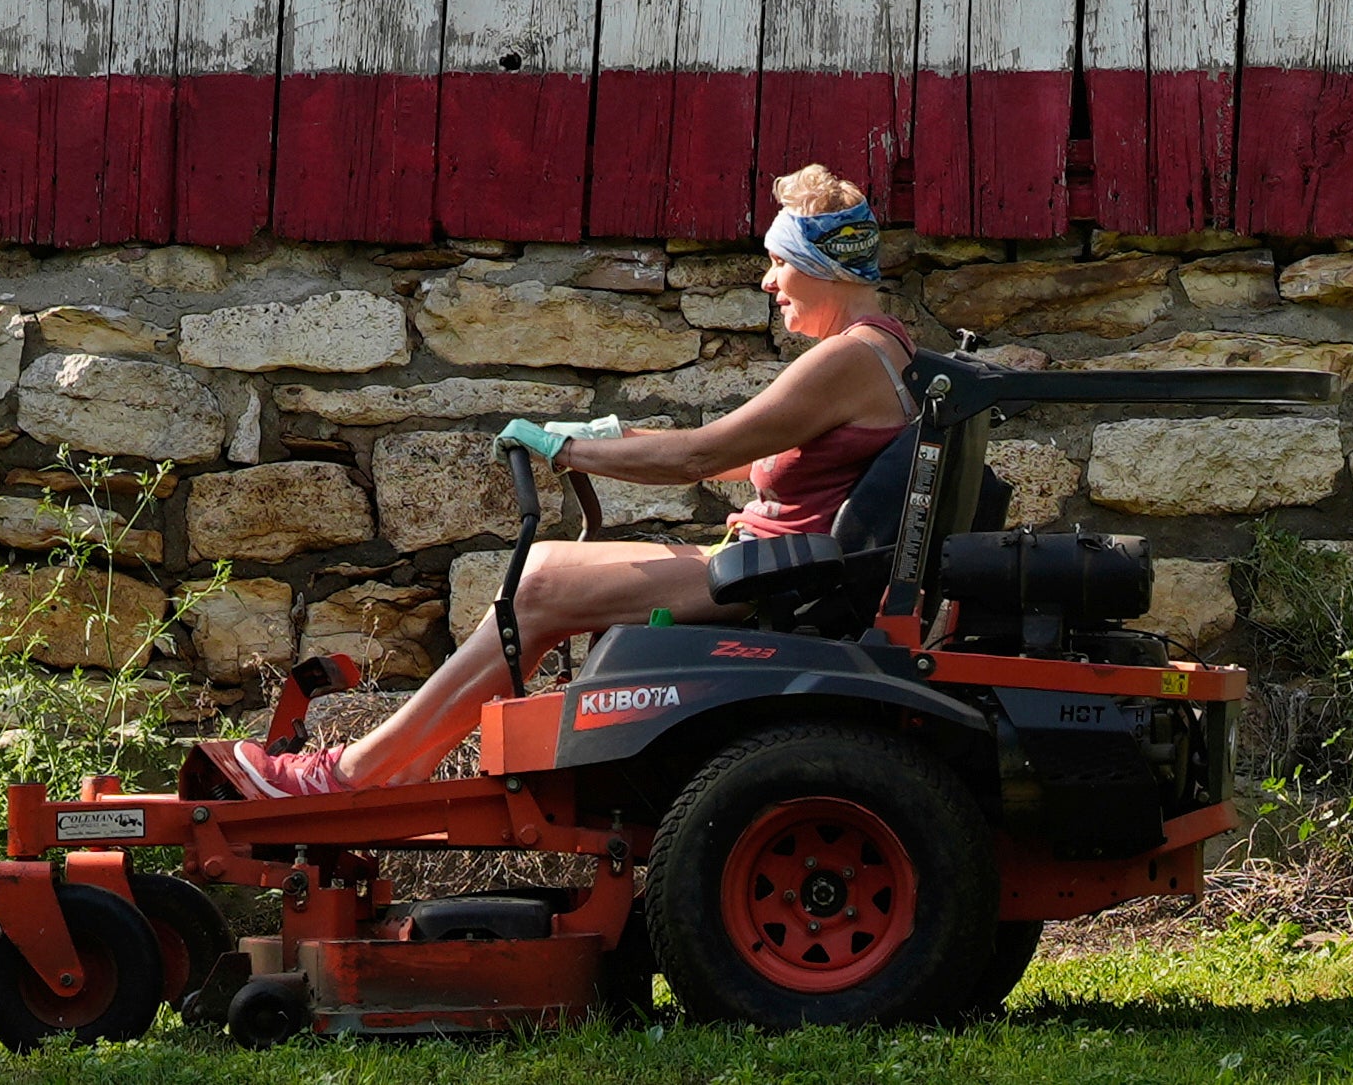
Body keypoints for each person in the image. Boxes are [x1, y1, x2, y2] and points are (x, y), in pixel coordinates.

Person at [201, 166, 921, 797]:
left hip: (773, 574)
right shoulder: (881, 347)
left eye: (775, 262)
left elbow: (696, 459)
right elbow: (748, 453)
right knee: (542, 573)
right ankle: (391, 765)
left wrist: (569, 452)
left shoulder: (845, 360)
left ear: (817, 264)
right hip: (777, 562)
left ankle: (355, 774)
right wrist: (611, 436)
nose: (767, 282)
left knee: (541, 583)